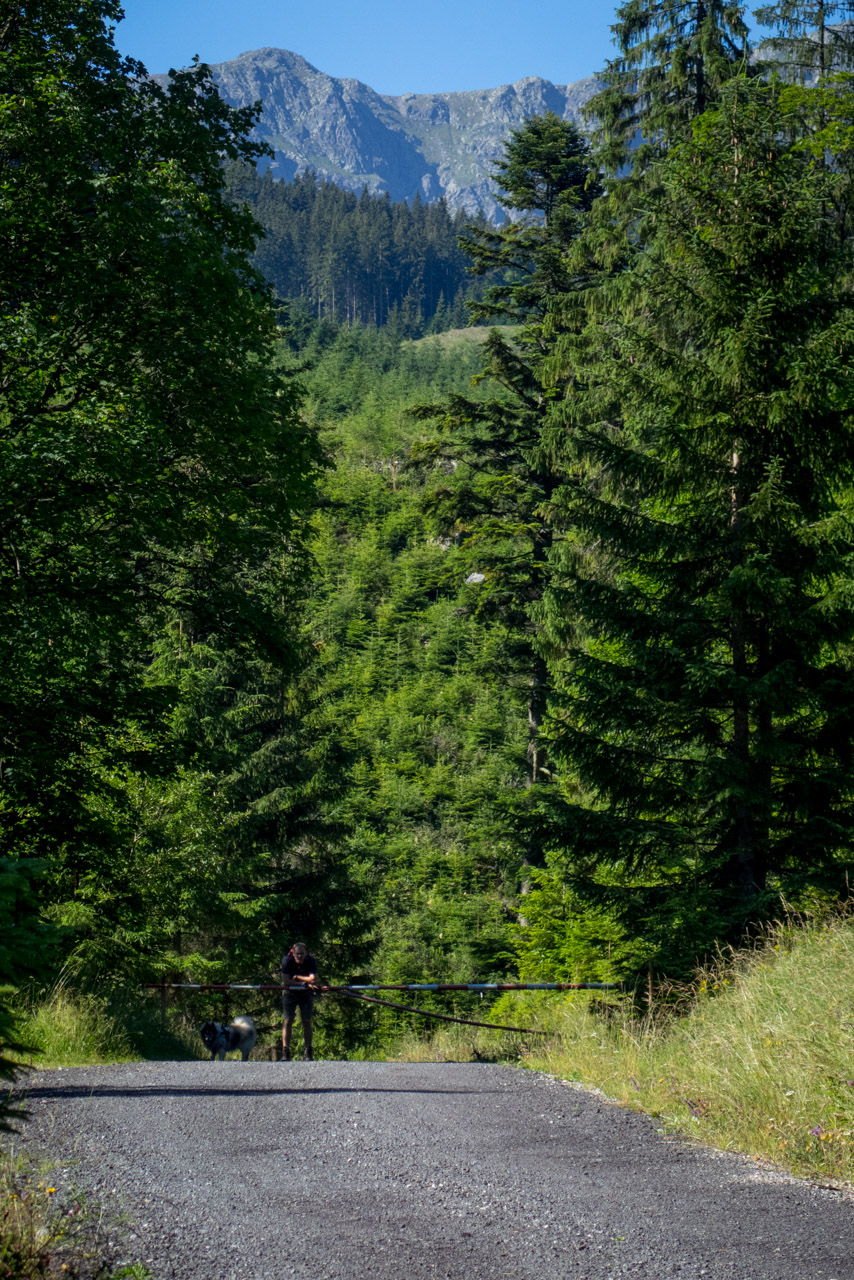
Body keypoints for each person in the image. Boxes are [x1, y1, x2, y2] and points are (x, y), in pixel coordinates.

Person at [281, 940, 318, 1061]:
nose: (300, 956)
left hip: (305, 993)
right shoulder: (287, 960)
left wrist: (296, 977)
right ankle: (285, 1051)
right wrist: (304, 982)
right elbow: (286, 981)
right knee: (288, 1020)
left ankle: (308, 1051)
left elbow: (312, 979)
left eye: (302, 954)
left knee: (306, 1020)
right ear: (293, 953)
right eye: (298, 954)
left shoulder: (311, 961)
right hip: (290, 993)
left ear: (306, 953)